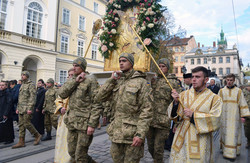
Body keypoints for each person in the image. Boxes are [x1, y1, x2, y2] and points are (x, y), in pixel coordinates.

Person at [96, 53, 153, 163]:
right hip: (116, 133)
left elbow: (147, 109)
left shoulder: (141, 82)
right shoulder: (117, 81)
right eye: (120, 61)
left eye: (124, 61)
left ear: (131, 63)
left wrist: (140, 134)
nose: (121, 63)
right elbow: (99, 97)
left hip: (132, 134)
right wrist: (111, 80)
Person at [168, 66, 222, 162]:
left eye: (197, 77)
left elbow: (216, 119)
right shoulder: (184, 95)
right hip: (181, 138)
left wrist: (193, 115)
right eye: (193, 76)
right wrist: (176, 103)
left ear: (206, 79)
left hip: (200, 140)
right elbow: (175, 116)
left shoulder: (214, 98)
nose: (193, 79)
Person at [58, 57, 102, 163]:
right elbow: (62, 94)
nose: (74, 68)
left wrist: (92, 124)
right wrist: (75, 81)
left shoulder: (91, 80)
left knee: (80, 155)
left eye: (76, 65)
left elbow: (97, 103)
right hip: (72, 122)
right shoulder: (72, 79)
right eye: (73, 65)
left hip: (84, 123)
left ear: (82, 67)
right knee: (72, 152)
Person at [147, 58, 181, 163]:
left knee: (158, 149)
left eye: (163, 66)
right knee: (150, 147)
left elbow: (178, 102)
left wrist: (176, 99)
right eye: (159, 66)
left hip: (163, 121)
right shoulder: (153, 80)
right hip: (150, 119)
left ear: (167, 68)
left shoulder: (173, 82)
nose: (161, 68)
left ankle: (158, 161)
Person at [219, 74, 250, 160]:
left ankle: (232, 154)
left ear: (234, 81)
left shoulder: (238, 91)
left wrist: (243, 115)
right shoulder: (221, 91)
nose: (229, 82)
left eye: (231, 80)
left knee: (233, 134)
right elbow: (217, 104)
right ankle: (225, 149)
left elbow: (242, 103)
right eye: (228, 80)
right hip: (224, 117)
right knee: (224, 133)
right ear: (226, 80)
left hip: (234, 117)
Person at [12, 71, 42, 148]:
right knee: (21, 125)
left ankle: (37, 135)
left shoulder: (31, 85)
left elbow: (32, 97)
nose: (22, 76)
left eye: (24, 75)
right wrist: (18, 108)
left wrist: (30, 108)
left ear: (27, 76)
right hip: (21, 108)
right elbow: (20, 98)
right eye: (21, 75)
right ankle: (21, 141)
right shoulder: (22, 85)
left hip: (27, 108)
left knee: (27, 123)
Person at [54, 68, 74, 163]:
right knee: (61, 140)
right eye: (69, 75)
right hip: (64, 117)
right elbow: (58, 99)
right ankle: (60, 159)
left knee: (71, 142)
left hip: (74, 118)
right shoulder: (64, 87)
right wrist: (60, 107)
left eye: (72, 75)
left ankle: (69, 160)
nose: (70, 77)